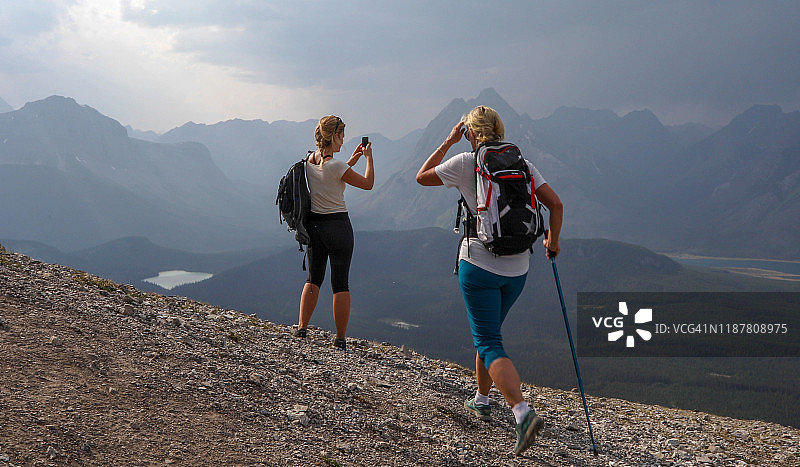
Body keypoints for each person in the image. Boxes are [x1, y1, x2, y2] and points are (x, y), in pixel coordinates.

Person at [415, 105, 563, 456]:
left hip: (479, 265)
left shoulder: (467, 162)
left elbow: (422, 176)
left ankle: (523, 413)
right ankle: (481, 399)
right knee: (490, 332)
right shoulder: (523, 165)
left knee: (488, 339)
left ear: (471, 132)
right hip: (519, 269)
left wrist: (449, 141)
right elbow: (556, 204)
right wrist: (552, 241)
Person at [293, 115, 374, 350]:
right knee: (340, 283)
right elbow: (367, 183)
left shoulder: (310, 160)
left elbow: (332, 175)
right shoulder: (337, 166)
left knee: (313, 279)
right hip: (338, 227)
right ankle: (340, 338)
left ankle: (302, 328)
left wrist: (352, 160)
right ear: (335, 136)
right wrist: (368, 159)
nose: (343, 140)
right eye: (342, 136)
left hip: (315, 228)